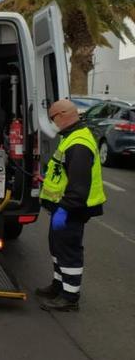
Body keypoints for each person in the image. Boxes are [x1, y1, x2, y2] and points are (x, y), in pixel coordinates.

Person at [36, 99, 105, 311]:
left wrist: (64, 210)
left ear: (63, 115)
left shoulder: (78, 144)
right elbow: (63, 171)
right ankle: (59, 285)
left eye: (53, 118)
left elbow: (79, 188)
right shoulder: (72, 137)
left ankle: (69, 297)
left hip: (71, 210)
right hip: (63, 207)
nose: (52, 122)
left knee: (69, 251)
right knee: (58, 247)